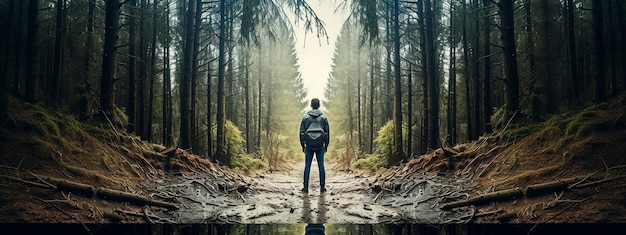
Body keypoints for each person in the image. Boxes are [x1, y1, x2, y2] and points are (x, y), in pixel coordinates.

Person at [299, 98, 330, 193]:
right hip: (320, 145)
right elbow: (327, 133)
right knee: (321, 165)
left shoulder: (305, 117)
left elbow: (301, 132)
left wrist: (302, 145)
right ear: (319, 105)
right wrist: (326, 145)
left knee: (307, 166)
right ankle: (322, 187)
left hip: (309, 145)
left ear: (311, 105)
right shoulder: (323, 118)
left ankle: (305, 187)